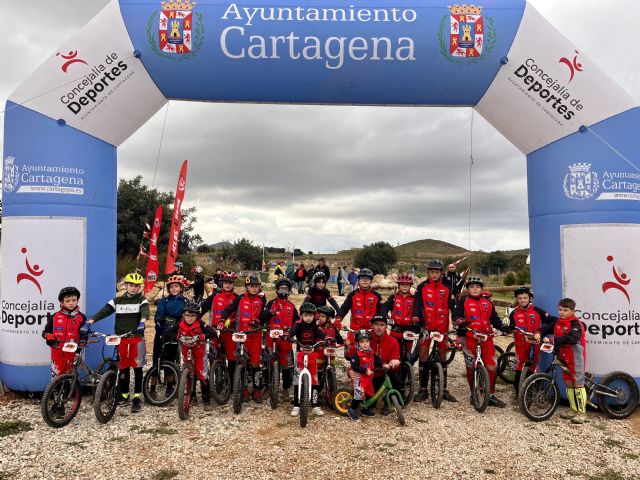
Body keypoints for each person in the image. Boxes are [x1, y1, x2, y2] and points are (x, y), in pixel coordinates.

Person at [87, 272, 149, 413]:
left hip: (136, 338)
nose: (134, 288)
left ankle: (137, 397)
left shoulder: (142, 299)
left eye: (137, 286)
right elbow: (105, 311)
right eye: (131, 285)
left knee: (137, 368)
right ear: (125, 285)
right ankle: (124, 395)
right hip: (122, 338)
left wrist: (142, 322)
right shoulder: (118, 300)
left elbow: (145, 312)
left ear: (140, 287)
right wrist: (92, 320)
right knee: (124, 367)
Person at [452, 276, 508, 408]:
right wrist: (461, 322)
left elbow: (495, 319)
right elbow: (455, 315)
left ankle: (491, 395)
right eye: (472, 287)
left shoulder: (487, 303)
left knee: (492, 366)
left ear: (481, 289)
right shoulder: (463, 301)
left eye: (477, 287)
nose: (475, 289)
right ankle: (473, 393)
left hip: (486, 337)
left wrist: (503, 328)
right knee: (471, 366)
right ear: (468, 289)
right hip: (470, 336)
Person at [534, 298, 587, 424]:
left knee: (578, 384)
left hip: (575, 357)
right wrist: (538, 333)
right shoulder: (558, 322)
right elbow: (546, 328)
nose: (562, 312)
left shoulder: (575, 323)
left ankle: (582, 413)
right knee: (568, 383)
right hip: (562, 356)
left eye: (565, 310)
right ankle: (573, 409)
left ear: (572, 311)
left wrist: (552, 340)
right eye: (560, 310)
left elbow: (572, 338)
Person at [412, 259, 457, 403]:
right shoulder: (422, 287)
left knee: (443, 357)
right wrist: (415, 318)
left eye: (437, 272)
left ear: (441, 272)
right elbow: (417, 305)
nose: (434, 274)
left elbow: (452, 306)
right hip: (427, 327)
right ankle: (423, 389)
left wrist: (456, 319)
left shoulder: (447, 288)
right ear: (428, 272)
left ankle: (443, 390)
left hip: (442, 327)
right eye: (432, 272)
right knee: (423, 355)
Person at [162, 301, 216, 411]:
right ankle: (192, 396)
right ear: (183, 315)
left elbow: (213, 333)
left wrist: (202, 336)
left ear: (197, 316)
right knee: (189, 373)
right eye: (187, 315)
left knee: (202, 374)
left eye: (192, 316)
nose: (189, 318)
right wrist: (176, 336)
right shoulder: (180, 324)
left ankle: (206, 399)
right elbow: (166, 332)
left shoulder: (201, 324)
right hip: (187, 352)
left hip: (200, 352)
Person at [220, 273, 266, 403]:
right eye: (251, 286)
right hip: (241, 336)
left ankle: (257, 389)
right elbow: (228, 310)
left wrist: (260, 321)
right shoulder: (239, 299)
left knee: (256, 364)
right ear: (246, 287)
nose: (254, 288)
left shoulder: (261, 300)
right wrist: (222, 320)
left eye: (256, 286)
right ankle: (244, 389)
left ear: (259, 288)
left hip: (256, 336)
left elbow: (264, 315)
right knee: (242, 362)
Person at [259, 278, 299, 400]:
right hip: (271, 337)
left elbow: (297, 322)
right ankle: (267, 386)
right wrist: (270, 312)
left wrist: (292, 332)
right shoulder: (271, 303)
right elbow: (262, 318)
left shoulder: (291, 306)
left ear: (289, 290)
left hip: (285, 339)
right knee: (267, 363)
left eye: (285, 288)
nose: (283, 290)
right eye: (281, 288)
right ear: (277, 290)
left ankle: (285, 389)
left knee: (286, 365)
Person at [508, 287, 551, 396]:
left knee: (534, 367)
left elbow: (551, 321)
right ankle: (518, 395)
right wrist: (508, 329)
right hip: (520, 346)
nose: (522, 300)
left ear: (530, 298)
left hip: (535, 346)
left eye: (525, 298)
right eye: (519, 298)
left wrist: (541, 332)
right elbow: (511, 327)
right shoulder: (513, 313)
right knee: (519, 368)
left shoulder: (537, 311)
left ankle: (532, 393)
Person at [288, 302, 327, 417]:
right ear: (301, 316)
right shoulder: (298, 326)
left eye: (310, 315)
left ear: (314, 316)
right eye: (306, 315)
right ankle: (296, 404)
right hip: (300, 354)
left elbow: (322, 334)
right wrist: (287, 335)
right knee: (297, 380)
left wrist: (327, 338)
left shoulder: (315, 327)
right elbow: (291, 332)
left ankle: (315, 405)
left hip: (312, 355)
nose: (308, 318)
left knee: (314, 380)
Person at [150, 275, 185, 398]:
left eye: (176, 286)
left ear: (181, 288)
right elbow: (158, 316)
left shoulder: (185, 302)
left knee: (170, 359)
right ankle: (152, 387)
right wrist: (160, 326)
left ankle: (170, 387)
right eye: (171, 287)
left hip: (175, 332)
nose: (174, 289)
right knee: (156, 359)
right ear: (168, 288)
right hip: (162, 330)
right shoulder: (163, 301)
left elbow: (185, 317)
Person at [200, 271, 239, 382]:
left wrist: (229, 320)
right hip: (214, 332)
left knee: (232, 358)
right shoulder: (214, 296)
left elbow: (239, 316)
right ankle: (216, 381)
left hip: (230, 332)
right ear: (222, 283)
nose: (228, 285)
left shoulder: (237, 298)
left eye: (230, 282)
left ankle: (231, 382)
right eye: (226, 282)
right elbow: (201, 309)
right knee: (214, 357)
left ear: (233, 284)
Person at [42, 287, 87, 378]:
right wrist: (50, 338)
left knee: (72, 380)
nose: (71, 303)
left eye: (74, 300)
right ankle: (55, 392)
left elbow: (84, 335)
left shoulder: (81, 317)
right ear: (62, 302)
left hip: (73, 354)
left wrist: (80, 346)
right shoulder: (55, 316)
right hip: (57, 354)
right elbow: (45, 332)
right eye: (67, 300)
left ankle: (74, 392)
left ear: (77, 301)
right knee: (56, 382)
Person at [344, 329, 383, 421]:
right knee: (359, 395)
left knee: (370, 393)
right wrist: (365, 370)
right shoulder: (356, 355)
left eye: (367, 341)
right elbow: (355, 366)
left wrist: (383, 364)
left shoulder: (370, 352)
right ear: (357, 343)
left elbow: (377, 360)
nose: (365, 344)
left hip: (368, 379)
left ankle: (365, 408)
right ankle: (351, 409)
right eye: (362, 342)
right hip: (360, 379)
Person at [336, 268, 382, 342]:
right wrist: (338, 318)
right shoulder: (352, 295)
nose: (365, 280)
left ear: (371, 281)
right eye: (362, 278)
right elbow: (344, 308)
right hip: (354, 329)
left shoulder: (377, 296)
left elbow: (381, 311)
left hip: (372, 330)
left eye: (367, 278)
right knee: (349, 350)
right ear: (359, 280)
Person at [369, 315, 401, 415]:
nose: (379, 327)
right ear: (372, 326)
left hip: (385, 373)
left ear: (386, 326)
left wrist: (394, 362)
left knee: (396, 377)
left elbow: (395, 358)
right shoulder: (365, 339)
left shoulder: (393, 341)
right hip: (370, 374)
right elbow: (355, 355)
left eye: (382, 325)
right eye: (376, 324)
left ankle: (389, 402)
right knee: (369, 403)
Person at [382, 273, 418, 355]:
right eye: (402, 284)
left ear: (410, 286)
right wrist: (387, 317)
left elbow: (418, 312)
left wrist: (417, 322)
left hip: (409, 329)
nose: (405, 286)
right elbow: (384, 308)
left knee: (408, 354)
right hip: (396, 329)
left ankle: (407, 366)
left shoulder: (414, 298)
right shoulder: (393, 297)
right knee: (395, 353)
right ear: (398, 285)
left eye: (407, 284)